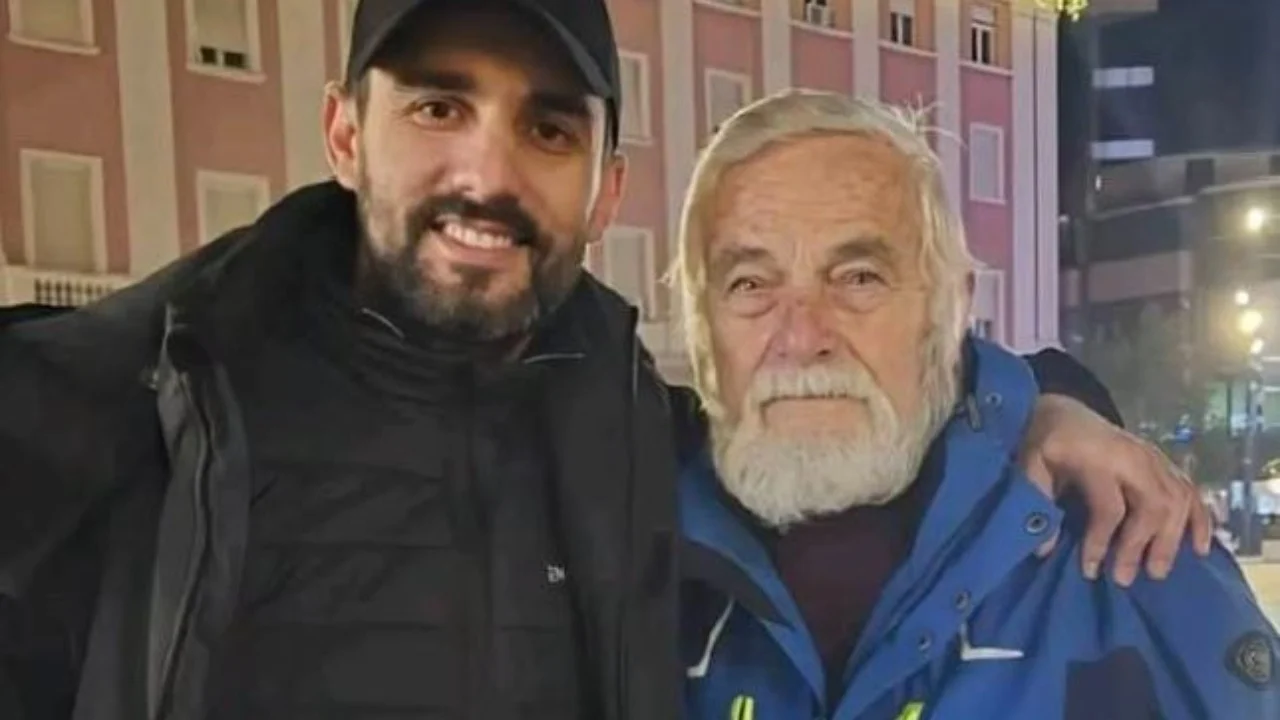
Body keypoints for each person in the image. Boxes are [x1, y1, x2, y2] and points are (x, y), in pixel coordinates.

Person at [0, 1, 1207, 719]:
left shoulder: (630, 431)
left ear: (603, 188)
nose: (486, 174)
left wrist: (1056, 406)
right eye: (436, 107)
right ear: (344, 132)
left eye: (544, 126)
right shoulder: (154, 400)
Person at [675, 90, 1279, 720]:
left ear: (953, 305)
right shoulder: (634, 566)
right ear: (701, 324)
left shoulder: (1138, 563)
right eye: (750, 284)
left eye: (858, 278)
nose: (801, 339)